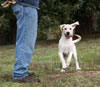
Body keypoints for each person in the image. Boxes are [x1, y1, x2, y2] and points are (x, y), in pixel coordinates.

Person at [11, 0, 40, 83]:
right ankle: (19, 74)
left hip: (25, 5)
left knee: (26, 40)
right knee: (25, 41)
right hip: (26, 5)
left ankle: (21, 70)